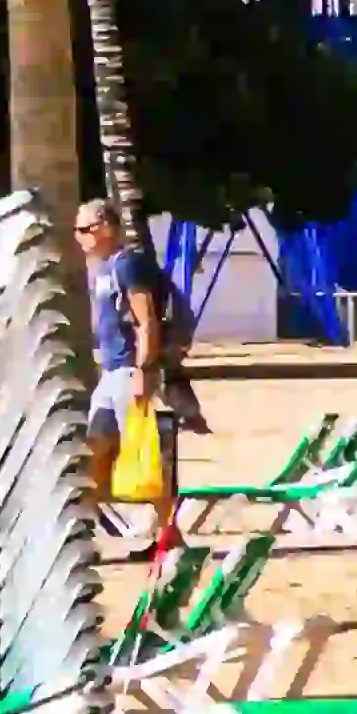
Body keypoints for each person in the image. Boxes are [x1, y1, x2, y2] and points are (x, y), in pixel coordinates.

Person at [85, 202, 205, 565]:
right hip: (110, 374)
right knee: (95, 448)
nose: (79, 238)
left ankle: (171, 538)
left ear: (105, 226)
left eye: (84, 229)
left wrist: (144, 368)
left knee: (147, 456)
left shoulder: (128, 263)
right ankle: (84, 534)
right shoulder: (105, 268)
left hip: (127, 372)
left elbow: (147, 320)